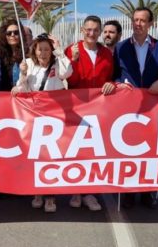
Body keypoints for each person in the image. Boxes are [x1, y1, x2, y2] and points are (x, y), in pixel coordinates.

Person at [113, 7, 158, 209]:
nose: (138, 24)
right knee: (128, 150)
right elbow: (113, 75)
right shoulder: (120, 47)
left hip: (152, 106)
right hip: (127, 107)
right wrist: (119, 83)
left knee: (149, 150)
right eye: (135, 20)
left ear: (150, 24)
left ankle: (147, 191)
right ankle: (128, 191)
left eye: (142, 20)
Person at [12, 35, 72, 213]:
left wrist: (59, 50)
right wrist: (22, 74)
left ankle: (51, 196)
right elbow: (20, 89)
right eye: (40, 49)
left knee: (52, 156)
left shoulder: (57, 64)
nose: (44, 53)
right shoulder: (28, 64)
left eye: (47, 49)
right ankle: (37, 193)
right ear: (34, 50)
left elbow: (67, 73)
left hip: (55, 116)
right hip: (33, 116)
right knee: (36, 156)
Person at [64, 15, 115, 212]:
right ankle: (77, 191)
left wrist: (112, 83)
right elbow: (71, 81)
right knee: (77, 150)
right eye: (88, 30)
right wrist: (74, 61)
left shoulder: (106, 53)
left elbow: (110, 77)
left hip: (98, 109)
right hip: (77, 108)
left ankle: (89, 192)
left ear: (100, 31)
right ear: (82, 30)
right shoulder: (72, 50)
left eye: (95, 30)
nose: (91, 33)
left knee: (94, 151)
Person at [0, 19, 25, 91]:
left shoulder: (27, 53)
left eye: (16, 32)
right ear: (4, 35)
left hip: (22, 96)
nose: (13, 35)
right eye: (9, 33)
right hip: (3, 96)